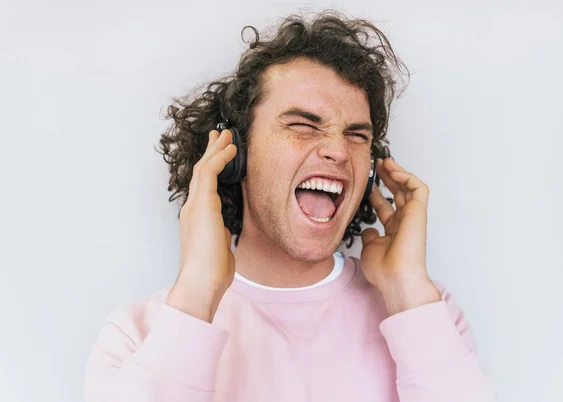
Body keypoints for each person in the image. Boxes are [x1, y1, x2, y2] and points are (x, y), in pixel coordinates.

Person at [84, 11, 496, 402]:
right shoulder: (138, 335)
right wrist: (197, 294)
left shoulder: (426, 313)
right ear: (236, 156)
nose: (337, 150)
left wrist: (407, 289)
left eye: (356, 135)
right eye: (302, 125)